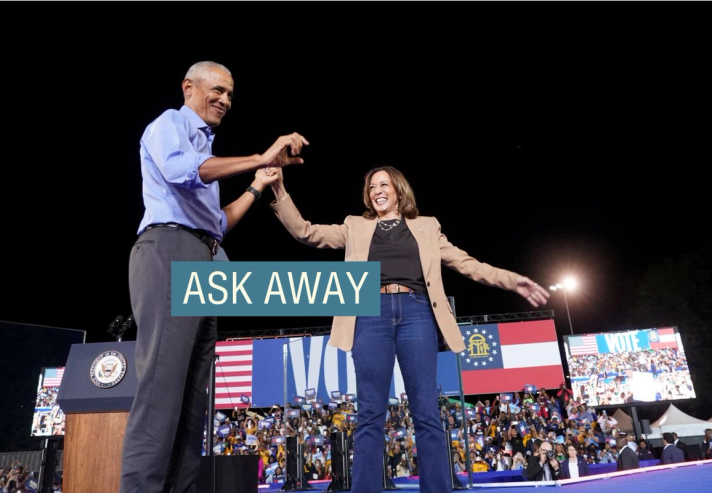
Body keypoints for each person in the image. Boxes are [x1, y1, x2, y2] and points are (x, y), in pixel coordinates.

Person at [267, 165, 550, 492]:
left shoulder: (427, 227)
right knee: (371, 414)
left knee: (427, 412)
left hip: (417, 315)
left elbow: (466, 264)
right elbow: (305, 231)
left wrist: (513, 281)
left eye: (383, 184)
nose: (377, 191)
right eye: (372, 187)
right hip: (369, 315)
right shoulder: (354, 226)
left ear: (399, 190)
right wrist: (279, 190)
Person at [119, 60, 309, 493]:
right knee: (162, 388)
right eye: (217, 90)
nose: (224, 100)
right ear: (189, 87)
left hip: (208, 257)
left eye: (230, 95)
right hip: (170, 251)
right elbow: (181, 172)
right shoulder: (169, 124)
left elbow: (216, 224)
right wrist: (259, 156)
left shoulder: (207, 153)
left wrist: (257, 186)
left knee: (194, 400)